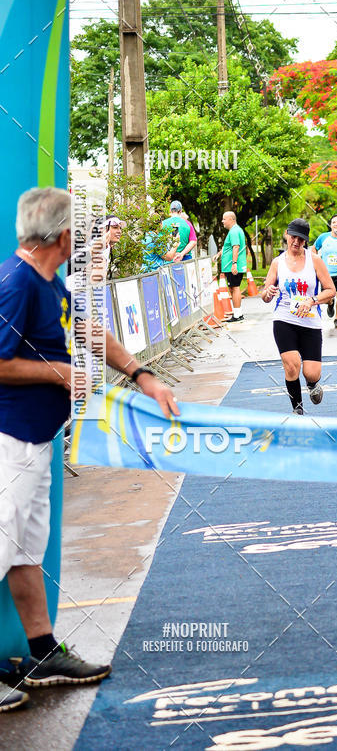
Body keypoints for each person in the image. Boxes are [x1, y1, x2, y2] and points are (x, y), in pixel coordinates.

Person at [0, 187, 180, 712]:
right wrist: (59, 373)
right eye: (78, 231)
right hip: (10, 443)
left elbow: (92, 332)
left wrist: (142, 375)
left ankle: (40, 653)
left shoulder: (49, 282)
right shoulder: (17, 284)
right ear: (62, 237)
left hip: (33, 443)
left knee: (27, 551)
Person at [260, 219, 334, 415]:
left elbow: (331, 290)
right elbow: (265, 294)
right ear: (286, 234)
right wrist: (268, 293)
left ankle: (312, 384)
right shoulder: (277, 263)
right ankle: (298, 409)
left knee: (311, 372)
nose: (296, 242)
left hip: (310, 322)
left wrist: (312, 300)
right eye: (293, 237)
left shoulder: (314, 260)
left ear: (305, 241)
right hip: (284, 320)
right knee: (291, 365)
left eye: (301, 239)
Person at [214, 211, 247, 323]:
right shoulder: (235, 230)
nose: (222, 221)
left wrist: (234, 263)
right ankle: (238, 313)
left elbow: (236, 247)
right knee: (233, 288)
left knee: (235, 287)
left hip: (233, 266)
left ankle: (237, 315)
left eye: (224, 219)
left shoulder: (234, 231)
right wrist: (219, 254)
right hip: (231, 265)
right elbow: (227, 247)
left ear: (232, 219)